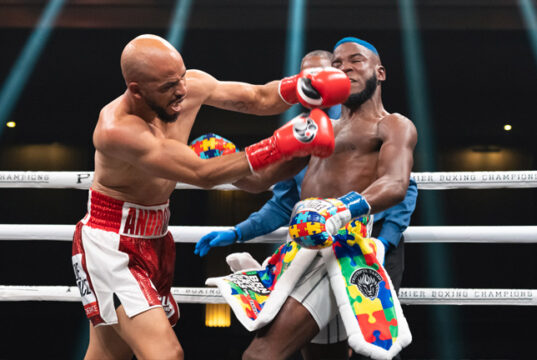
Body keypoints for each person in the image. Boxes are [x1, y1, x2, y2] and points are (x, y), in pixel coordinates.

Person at [70, 34, 350, 360]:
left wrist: (300, 87)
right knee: (166, 354)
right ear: (136, 90)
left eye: (181, 77)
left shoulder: (187, 85)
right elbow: (201, 174)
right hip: (111, 245)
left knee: (108, 354)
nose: (181, 90)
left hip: (154, 236)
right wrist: (278, 145)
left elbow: (257, 98)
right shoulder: (116, 130)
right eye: (168, 86)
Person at [203, 37, 418, 360]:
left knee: (260, 355)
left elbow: (396, 184)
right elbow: (260, 182)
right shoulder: (318, 127)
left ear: (380, 73)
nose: (345, 68)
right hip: (300, 251)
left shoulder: (392, 125)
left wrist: (338, 211)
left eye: (355, 61)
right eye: (337, 64)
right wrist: (224, 163)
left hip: (344, 249)